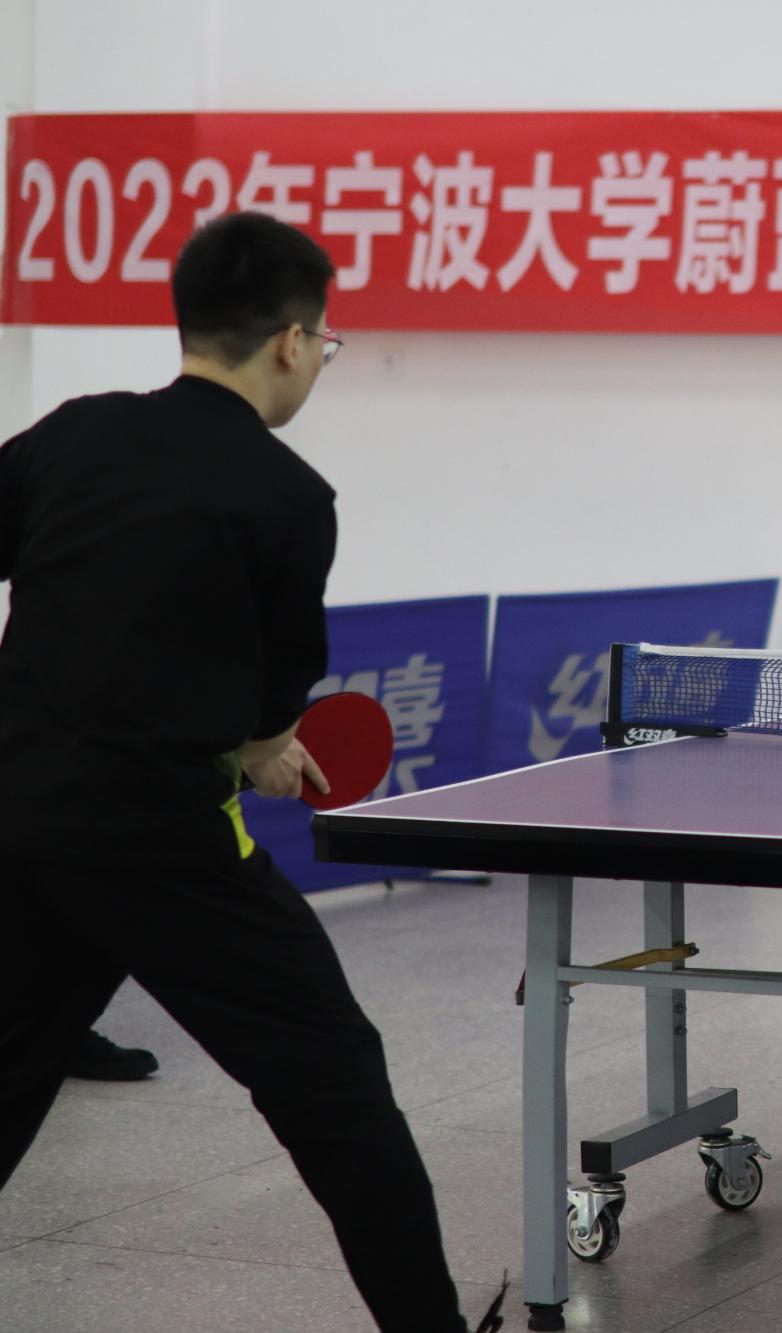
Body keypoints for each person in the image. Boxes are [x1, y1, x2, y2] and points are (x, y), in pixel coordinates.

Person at [0, 212, 498, 1330]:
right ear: (290, 340)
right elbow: (276, 704)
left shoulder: (72, 434)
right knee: (333, 1076)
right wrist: (262, 744)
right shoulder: (289, 496)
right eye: (325, 342)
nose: (318, 359)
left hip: (19, 817)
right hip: (160, 843)